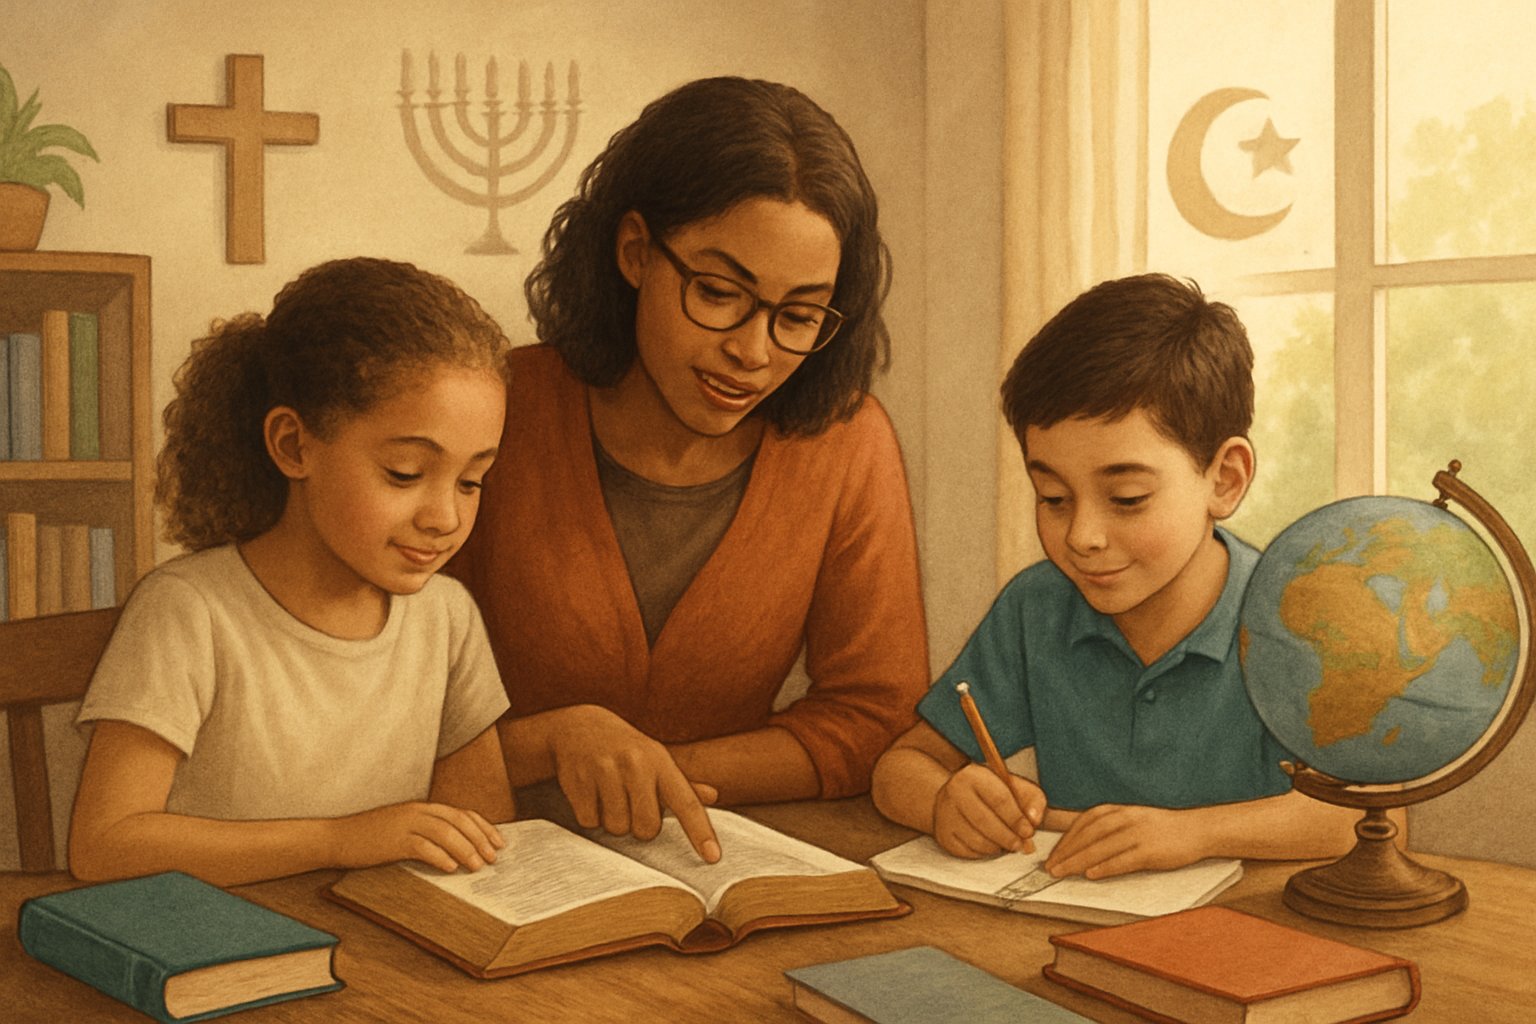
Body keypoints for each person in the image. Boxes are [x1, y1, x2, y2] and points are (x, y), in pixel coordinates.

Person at [449, 77, 929, 863]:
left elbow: (875, 717)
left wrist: (662, 772)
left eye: (799, 316)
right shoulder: (500, 409)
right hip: (487, 861)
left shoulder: (848, 444)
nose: (754, 351)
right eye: (717, 292)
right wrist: (554, 744)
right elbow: (387, 706)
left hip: (714, 862)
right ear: (635, 251)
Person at [871, 273, 1361, 879]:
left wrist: (1193, 834)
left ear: (1225, 479)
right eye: (1052, 496)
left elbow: (1357, 816)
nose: (1081, 537)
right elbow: (900, 769)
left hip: (1250, 940)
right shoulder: (1037, 607)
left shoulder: (1292, 616)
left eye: (1126, 497)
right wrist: (947, 801)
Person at [68, 258, 516, 886]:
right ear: (293, 445)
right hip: (222, 951)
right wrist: (339, 840)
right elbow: (105, 845)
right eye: (406, 474)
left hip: (385, 950)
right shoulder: (189, 609)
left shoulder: (447, 616)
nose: (445, 517)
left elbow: (482, 828)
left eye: (472, 481)